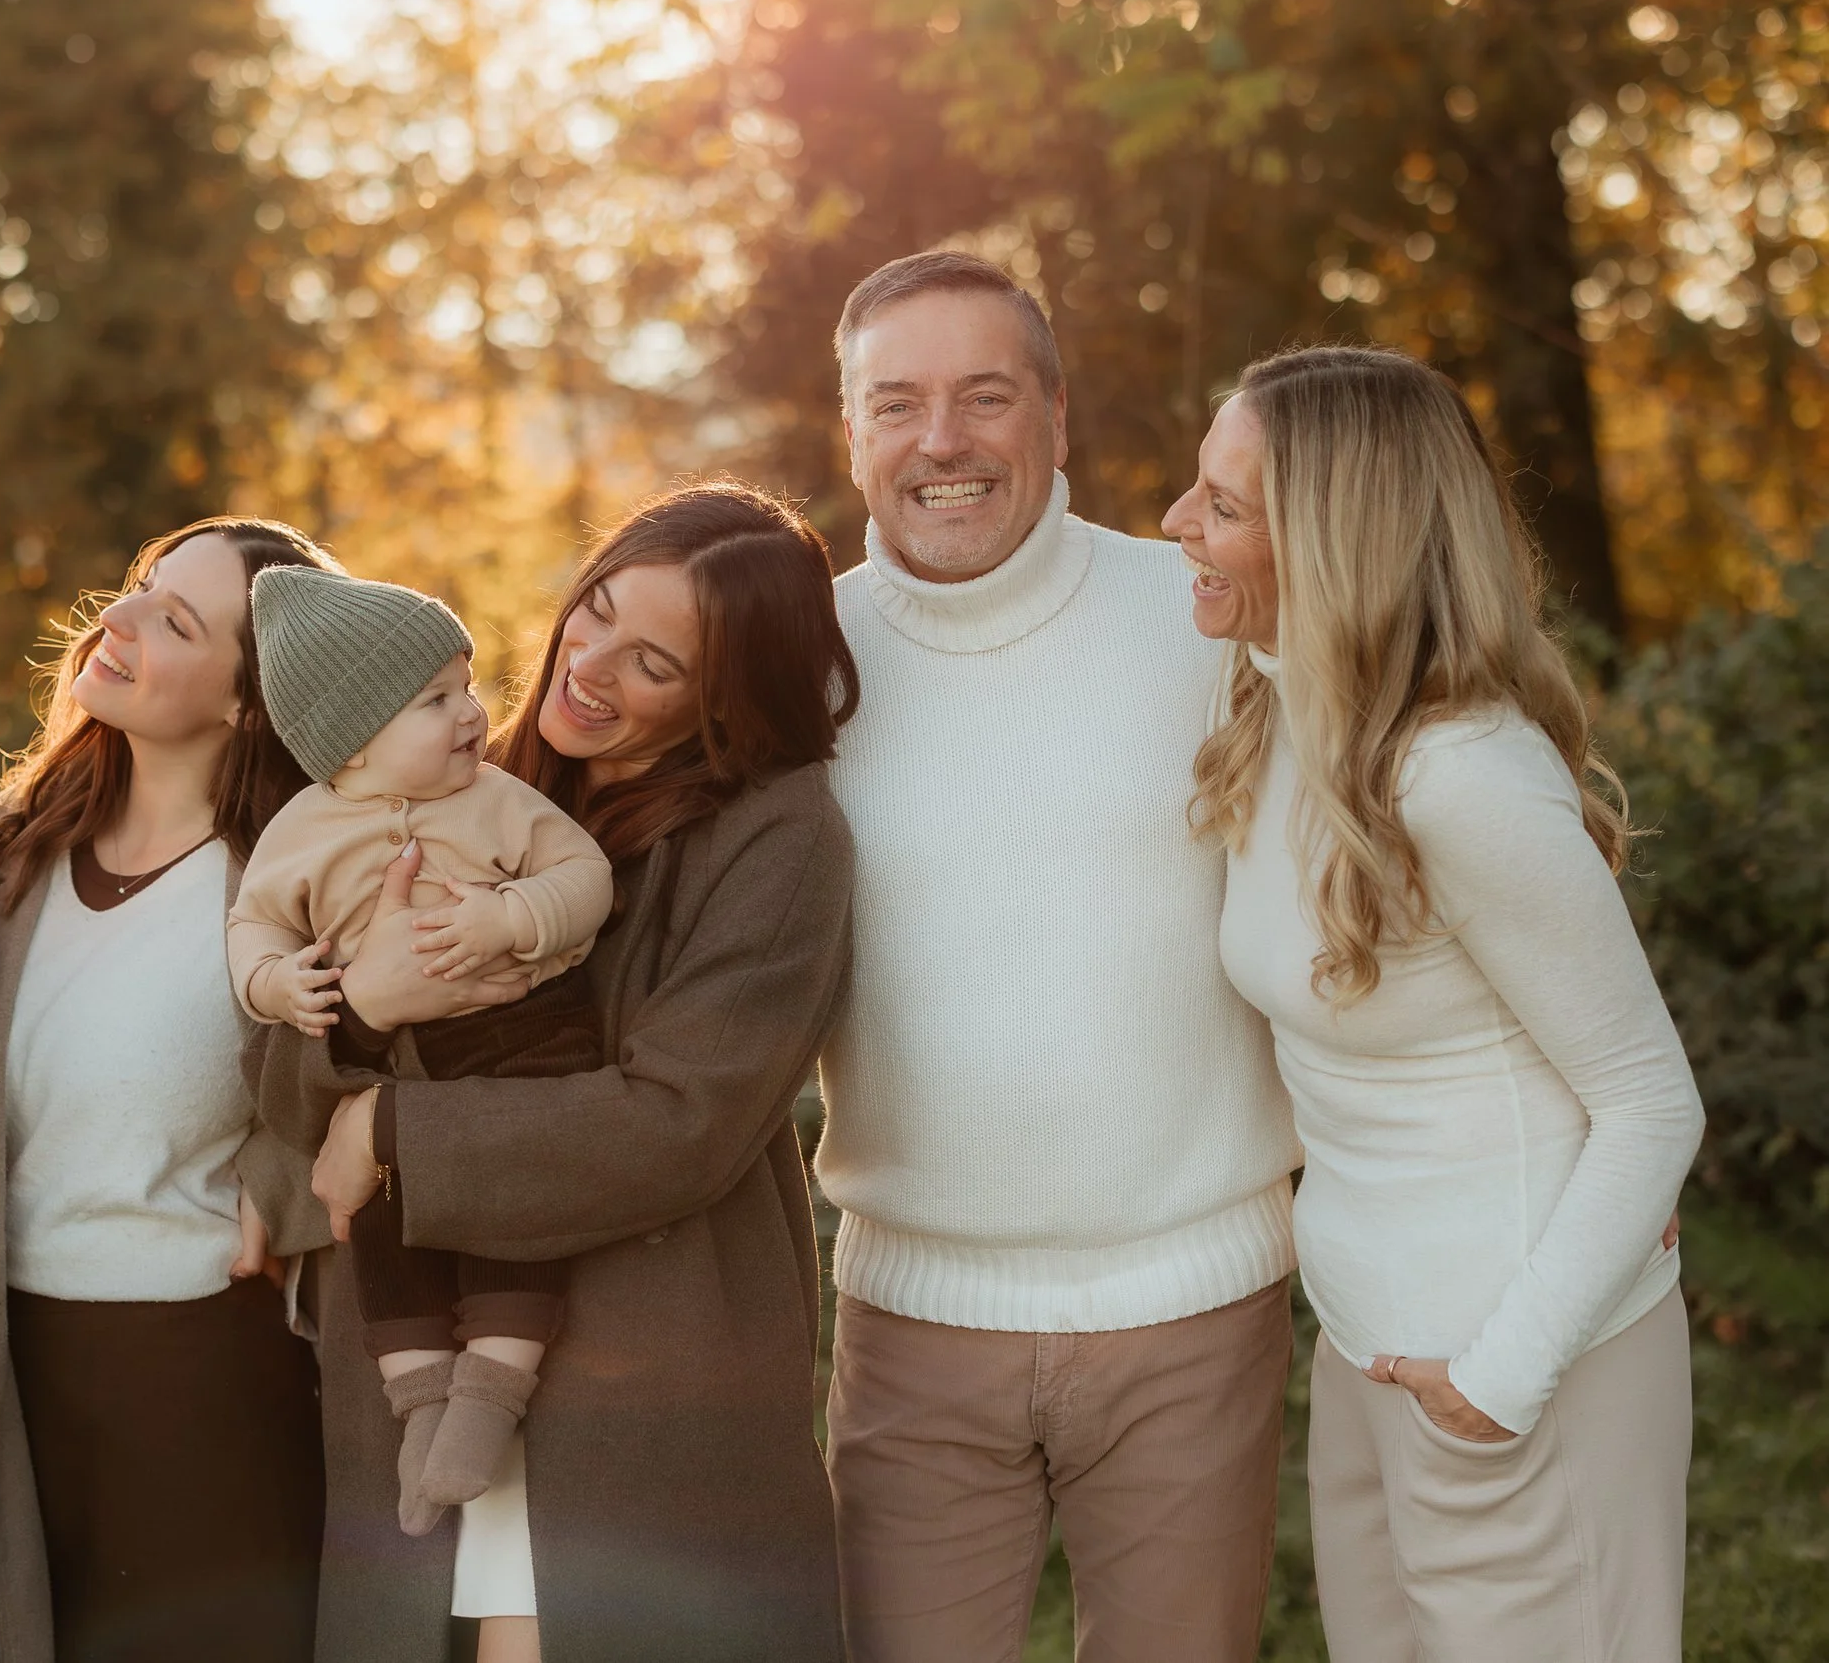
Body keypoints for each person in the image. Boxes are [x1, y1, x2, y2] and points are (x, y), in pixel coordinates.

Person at [249, 480, 859, 1663]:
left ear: (725, 695)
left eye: (655, 664)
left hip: (642, 1390)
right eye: (596, 612)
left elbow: (681, 1120)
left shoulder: (779, 839)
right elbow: (278, 1091)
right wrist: (358, 1014)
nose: (591, 665)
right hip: (418, 1362)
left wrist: (389, 1132)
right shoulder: (433, 777)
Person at [1169, 345, 1704, 1662]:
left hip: (1523, 1361)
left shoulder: (1460, 772)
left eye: (1223, 505)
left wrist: (1498, 1381)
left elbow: (1650, 1097)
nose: (1180, 524)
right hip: (1373, 1349)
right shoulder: (1279, 708)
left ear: (1331, 543)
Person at [814, 249, 1302, 1663]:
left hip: (1195, 1307)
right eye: (897, 404)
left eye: (985, 396)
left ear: (1057, 417)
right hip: (911, 1318)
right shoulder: (793, 657)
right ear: (850, 432)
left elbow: (1394, 855)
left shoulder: (1206, 618)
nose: (943, 440)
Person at [0, 518, 339, 1663]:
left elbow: (378, 1086)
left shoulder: (288, 881)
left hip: (206, 1388)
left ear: (247, 703)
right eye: (137, 588)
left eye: (174, 621)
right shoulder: (6, 856)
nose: (115, 620)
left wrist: (289, 1181)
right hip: (16, 1374)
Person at [230, 566, 615, 1534]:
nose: (470, 713)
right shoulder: (300, 832)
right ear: (351, 742)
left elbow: (585, 875)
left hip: (524, 1038)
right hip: (391, 1062)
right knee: (383, 1236)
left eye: (468, 685)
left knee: (519, 1211)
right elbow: (252, 926)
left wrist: (512, 915)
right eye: (434, 699)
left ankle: (489, 1399)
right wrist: (276, 982)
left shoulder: (497, 799)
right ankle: (421, 1405)